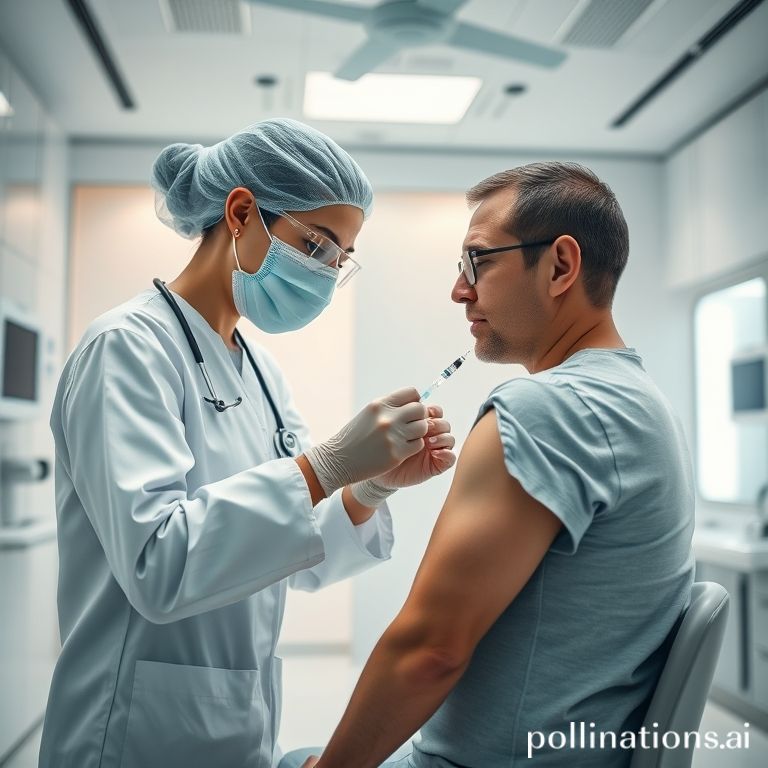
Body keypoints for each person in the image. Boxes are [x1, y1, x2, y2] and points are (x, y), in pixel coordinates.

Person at [37, 118, 456, 768]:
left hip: (237, 721)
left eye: (339, 259)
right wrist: (326, 466)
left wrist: (368, 489)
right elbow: (158, 564)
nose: (324, 274)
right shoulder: (126, 348)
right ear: (240, 213)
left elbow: (292, 556)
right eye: (315, 245)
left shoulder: (259, 370)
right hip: (129, 731)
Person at [282, 162, 695, 768]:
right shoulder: (639, 400)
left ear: (560, 266)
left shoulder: (546, 409)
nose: (459, 290)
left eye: (477, 262)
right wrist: (367, 489)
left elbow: (430, 651)